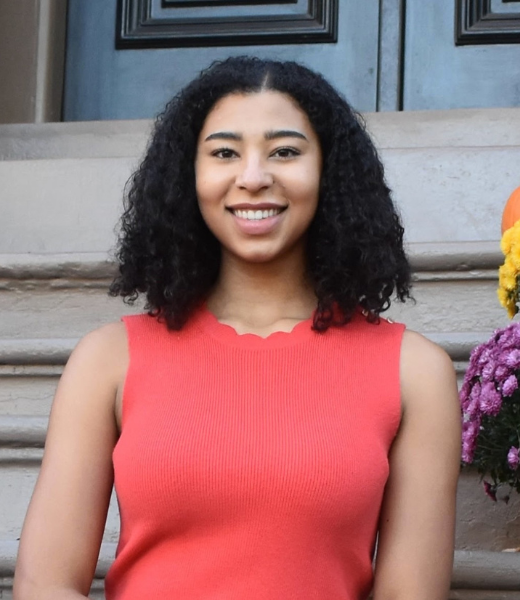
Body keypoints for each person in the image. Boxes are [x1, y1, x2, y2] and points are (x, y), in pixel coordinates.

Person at [14, 57, 461, 600]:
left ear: (330, 172)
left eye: (286, 152)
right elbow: (45, 585)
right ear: (189, 174)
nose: (253, 177)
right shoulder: (108, 360)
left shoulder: (414, 373)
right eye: (224, 152)